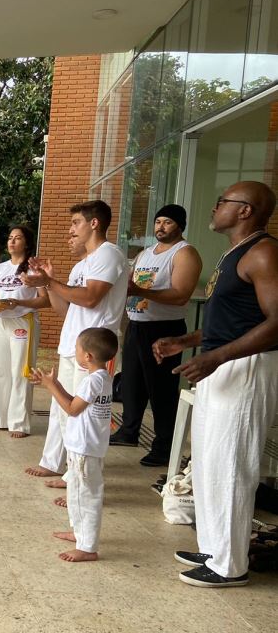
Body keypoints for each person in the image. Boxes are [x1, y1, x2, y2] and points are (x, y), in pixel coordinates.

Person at [154, 181, 278, 588]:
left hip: (245, 368)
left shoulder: (263, 252)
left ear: (246, 211)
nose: (215, 206)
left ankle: (229, 565)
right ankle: (212, 548)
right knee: (208, 461)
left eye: (224, 201)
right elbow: (230, 322)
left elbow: (276, 325)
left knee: (230, 465)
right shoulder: (234, 253)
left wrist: (216, 356)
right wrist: (187, 342)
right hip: (221, 365)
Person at [22, 200, 128, 487]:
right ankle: (53, 463)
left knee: (81, 411)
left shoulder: (109, 255)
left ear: (94, 223)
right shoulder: (83, 264)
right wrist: (47, 282)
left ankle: (77, 475)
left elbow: (92, 297)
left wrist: (50, 281)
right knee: (60, 405)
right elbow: (66, 309)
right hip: (73, 343)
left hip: (94, 348)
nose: (71, 229)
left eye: (75, 223)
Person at [111, 205, 202, 467]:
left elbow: (181, 295)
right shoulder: (144, 254)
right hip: (137, 324)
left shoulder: (185, 253)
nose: (161, 227)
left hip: (164, 329)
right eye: (158, 221)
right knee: (131, 383)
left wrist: (141, 291)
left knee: (161, 391)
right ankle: (129, 431)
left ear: (180, 226)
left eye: (168, 222)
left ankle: (164, 447)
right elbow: (132, 287)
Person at [30, 327, 118, 562]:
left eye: (77, 348)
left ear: (87, 356)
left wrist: (50, 386)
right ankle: (80, 535)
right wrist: (54, 383)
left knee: (85, 496)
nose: (75, 352)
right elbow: (76, 403)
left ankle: (88, 546)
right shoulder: (103, 378)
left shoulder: (93, 381)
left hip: (85, 448)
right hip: (87, 446)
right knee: (77, 494)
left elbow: (71, 409)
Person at [0, 225, 49, 437]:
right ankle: (0, 419)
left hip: (23, 321)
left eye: (17, 238)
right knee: (0, 371)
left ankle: (19, 423)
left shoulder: (33, 268)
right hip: (2, 321)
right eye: (10, 238)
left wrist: (17, 302)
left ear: (26, 243)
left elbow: (44, 300)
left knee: (21, 371)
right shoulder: (1, 268)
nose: (12, 241)